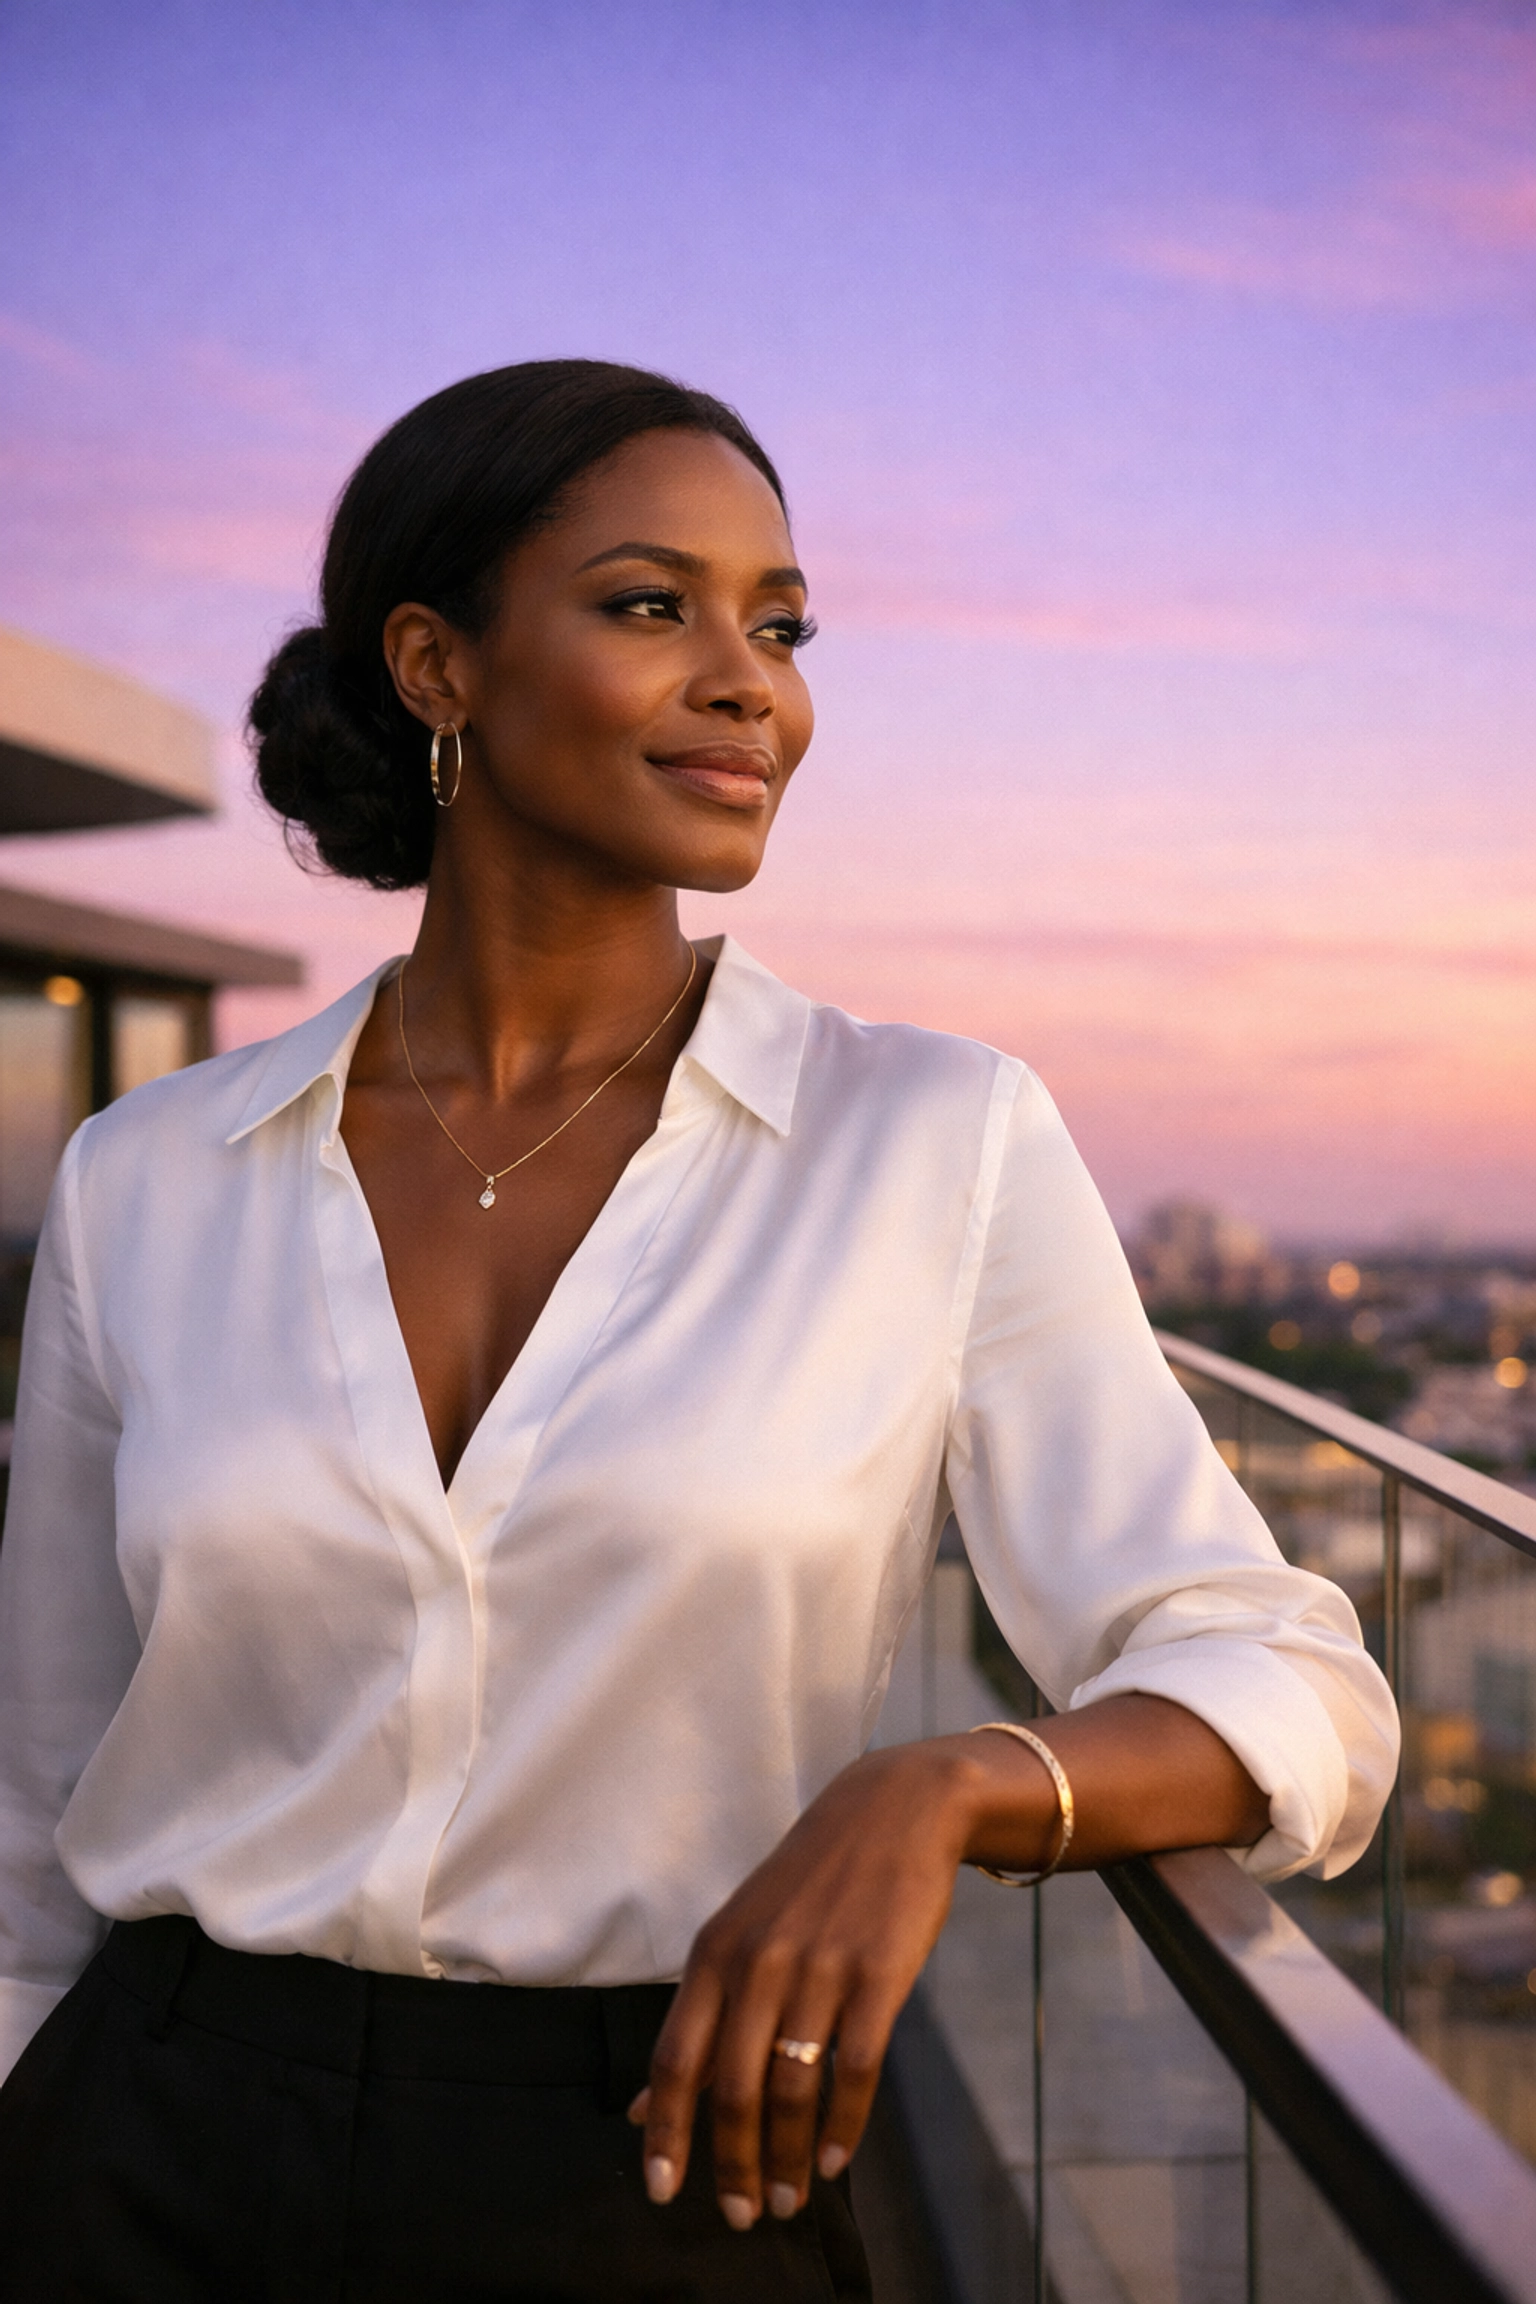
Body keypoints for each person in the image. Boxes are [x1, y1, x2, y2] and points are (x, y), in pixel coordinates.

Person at [0, 359, 1397, 2301]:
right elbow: (34, 1787)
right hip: (140, 2148)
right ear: (437, 667)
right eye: (655, 605)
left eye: (785, 623)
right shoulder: (149, 1174)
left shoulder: (932, 1137)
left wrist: (945, 1782)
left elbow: (1296, 1688)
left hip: (668, 2163)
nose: (758, 684)